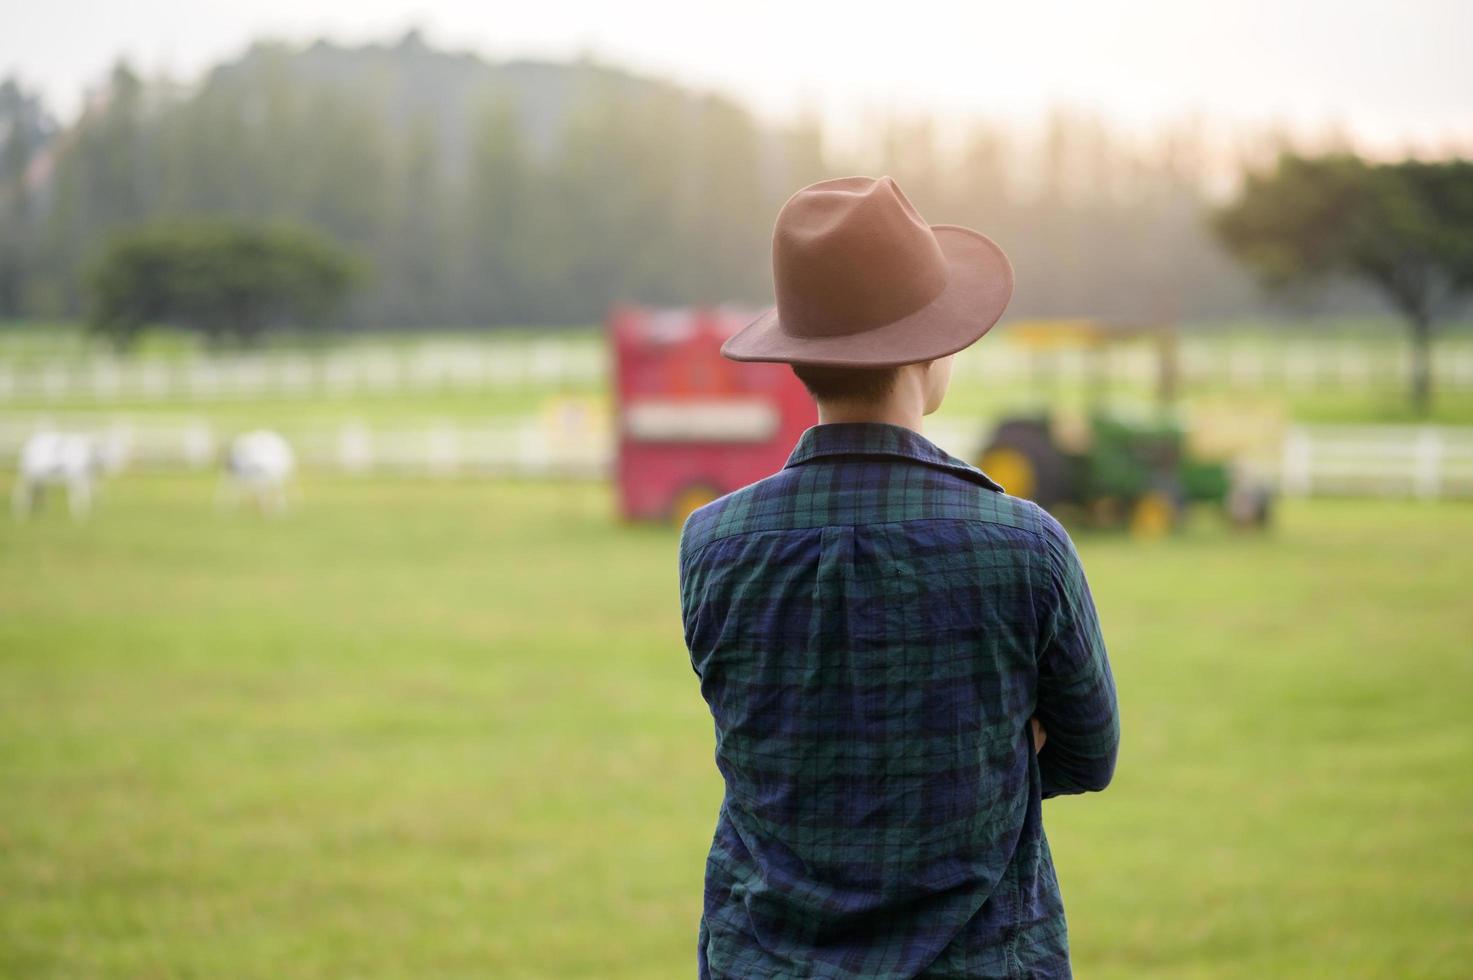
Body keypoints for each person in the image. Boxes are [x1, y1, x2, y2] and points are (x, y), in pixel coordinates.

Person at [677, 176, 1119, 979]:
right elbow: (1088, 755)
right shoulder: (1025, 546)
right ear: (930, 344)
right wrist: (977, 761)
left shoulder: (710, 543)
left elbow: (764, 747)